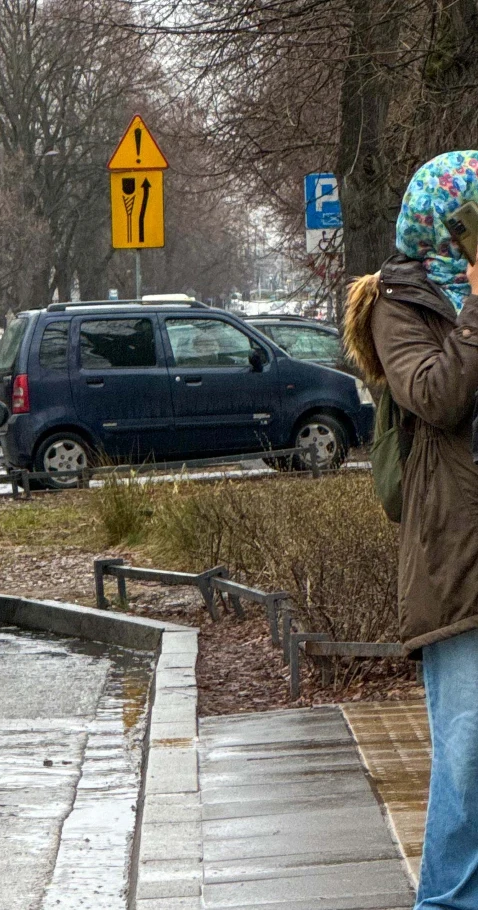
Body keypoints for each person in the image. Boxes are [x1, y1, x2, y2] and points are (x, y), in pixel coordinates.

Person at [344, 150, 478, 910]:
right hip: (454, 554)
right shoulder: (403, 304)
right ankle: (446, 903)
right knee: (465, 751)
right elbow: (437, 395)